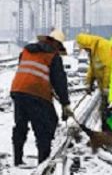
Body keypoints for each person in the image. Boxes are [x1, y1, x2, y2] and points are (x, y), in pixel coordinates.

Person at [10, 28, 72, 166]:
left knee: (21, 124)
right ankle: (43, 161)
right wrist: (65, 103)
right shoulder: (53, 56)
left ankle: (17, 159)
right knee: (47, 124)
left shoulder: (26, 50)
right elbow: (59, 81)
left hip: (18, 90)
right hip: (37, 93)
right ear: (57, 44)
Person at [76, 33, 112, 130]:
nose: (84, 50)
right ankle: (106, 132)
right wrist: (89, 82)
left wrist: (106, 87)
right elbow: (93, 67)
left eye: (84, 48)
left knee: (111, 111)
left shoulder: (102, 47)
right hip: (104, 87)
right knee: (104, 111)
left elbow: (108, 68)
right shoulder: (93, 50)